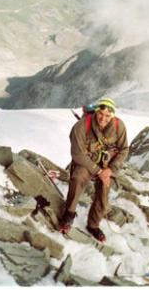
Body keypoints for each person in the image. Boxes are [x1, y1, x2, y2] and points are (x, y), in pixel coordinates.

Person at [58, 97, 128, 242]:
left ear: (112, 116)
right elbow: (77, 153)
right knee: (78, 178)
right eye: (101, 113)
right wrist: (99, 172)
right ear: (96, 112)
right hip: (86, 163)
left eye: (108, 115)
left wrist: (111, 170)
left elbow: (124, 149)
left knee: (104, 190)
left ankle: (93, 225)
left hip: (106, 165)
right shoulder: (82, 126)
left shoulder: (118, 126)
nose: (103, 118)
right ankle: (68, 215)